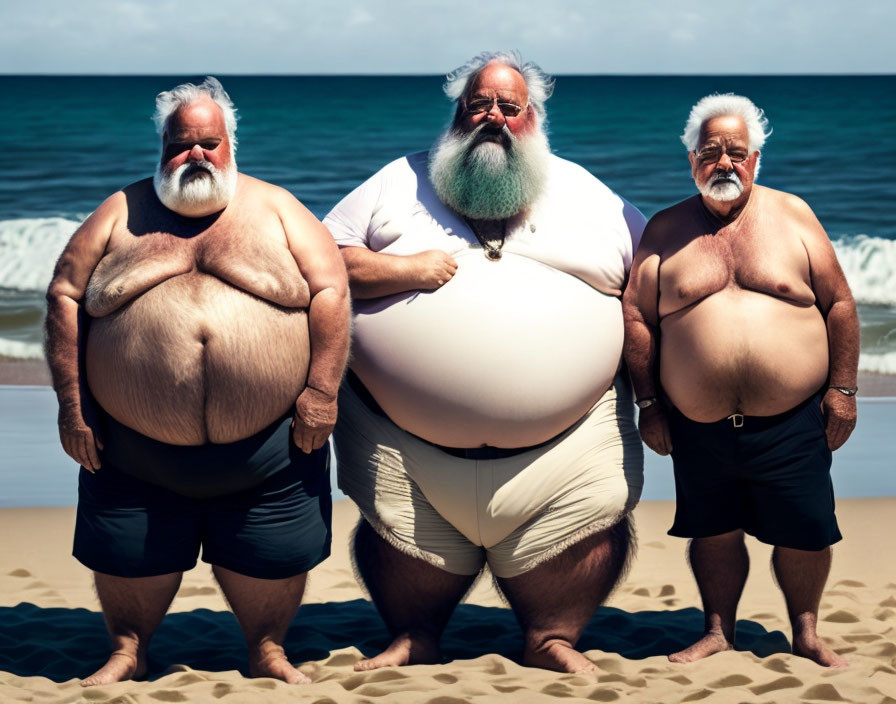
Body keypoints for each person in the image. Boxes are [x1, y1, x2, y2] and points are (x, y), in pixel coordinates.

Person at [324, 51, 645, 674]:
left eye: (509, 106)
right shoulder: (398, 181)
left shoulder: (588, 195)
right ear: (457, 114)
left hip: (565, 457)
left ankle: (552, 636)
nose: (492, 117)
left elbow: (656, 281)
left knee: (593, 526)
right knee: (395, 541)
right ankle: (413, 635)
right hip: (404, 448)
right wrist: (404, 270)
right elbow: (318, 259)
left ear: (534, 118)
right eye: (479, 104)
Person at [44, 77, 350, 686]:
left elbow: (331, 290)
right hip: (131, 447)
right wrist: (73, 406)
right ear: (163, 145)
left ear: (231, 143)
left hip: (270, 446)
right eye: (183, 144)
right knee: (128, 554)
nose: (197, 155)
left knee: (272, 555)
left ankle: (267, 650)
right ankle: (127, 651)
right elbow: (64, 294)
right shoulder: (118, 213)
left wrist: (320, 392)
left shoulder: (278, 208)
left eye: (210, 142)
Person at [622, 93, 858, 668]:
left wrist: (843, 392)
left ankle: (806, 633)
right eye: (710, 152)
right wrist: (649, 403)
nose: (723, 163)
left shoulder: (793, 216)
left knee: (805, 531)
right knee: (714, 531)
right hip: (697, 425)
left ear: (755, 160)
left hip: (793, 418)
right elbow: (637, 317)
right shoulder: (665, 229)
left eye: (736, 152)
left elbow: (840, 305)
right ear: (692, 161)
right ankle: (717, 631)